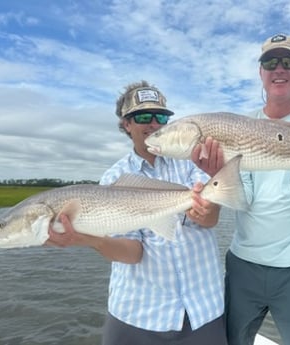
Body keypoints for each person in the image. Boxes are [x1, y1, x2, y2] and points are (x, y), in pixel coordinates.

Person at [46, 81, 228, 345]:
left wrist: (208, 207)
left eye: (161, 116)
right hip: (138, 315)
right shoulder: (114, 178)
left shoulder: (194, 161)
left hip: (203, 311)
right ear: (126, 124)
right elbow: (133, 252)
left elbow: (210, 220)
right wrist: (90, 239)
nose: (153, 123)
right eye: (143, 116)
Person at [193, 34, 290, 345]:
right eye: (269, 62)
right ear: (260, 72)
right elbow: (243, 201)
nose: (279, 69)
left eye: (288, 62)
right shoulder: (241, 126)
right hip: (244, 263)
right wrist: (220, 175)